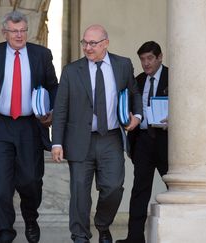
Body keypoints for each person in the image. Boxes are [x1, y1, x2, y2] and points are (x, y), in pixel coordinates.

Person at [0, 10, 58, 243]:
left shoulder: (41, 55)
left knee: (30, 180)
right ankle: (4, 232)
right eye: (14, 31)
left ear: (27, 31)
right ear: (4, 32)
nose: (19, 35)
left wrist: (52, 113)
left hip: (30, 126)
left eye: (23, 31)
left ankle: (30, 218)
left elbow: (53, 87)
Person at [51, 24, 143, 243]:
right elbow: (61, 108)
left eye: (93, 43)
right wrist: (57, 143)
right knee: (80, 194)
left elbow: (134, 93)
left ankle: (102, 224)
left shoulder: (122, 65)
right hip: (79, 140)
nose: (87, 48)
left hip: (111, 138)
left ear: (105, 43)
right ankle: (80, 236)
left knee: (113, 187)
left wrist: (137, 116)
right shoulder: (72, 71)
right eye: (84, 43)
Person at [116, 41, 168, 243]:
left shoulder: (172, 77)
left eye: (150, 58)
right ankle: (135, 237)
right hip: (144, 142)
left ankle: (183, 231)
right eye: (142, 59)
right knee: (139, 190)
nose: (146, 63)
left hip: (166, 141)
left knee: (176, 187)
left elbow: (187, 106)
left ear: (159, 57)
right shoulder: (137, 81)